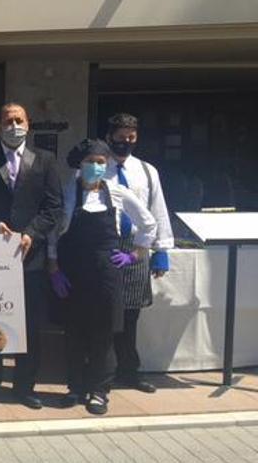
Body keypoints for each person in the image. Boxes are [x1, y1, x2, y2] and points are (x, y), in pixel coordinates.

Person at [0, 102, 64, 410]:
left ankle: (24, 387)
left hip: (30, 258)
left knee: (30, 326)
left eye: (19, 120)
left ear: (28, 124)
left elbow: (53, 208)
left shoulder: (45, 160)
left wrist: (32, 231)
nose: (13, 125)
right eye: (7, 121)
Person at [48, 139, 157, 415]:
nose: (95, 167)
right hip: (72, 273)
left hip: (106, 274)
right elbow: (53, 233)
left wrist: (135, 254)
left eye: (100, 162)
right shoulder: (66, 195)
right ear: (79, 165)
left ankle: (99, 391)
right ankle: (75, 387)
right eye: (90, 162)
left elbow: (148, 222)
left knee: (103, 335)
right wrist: (54, 269)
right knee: (73, 333)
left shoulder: (118, 193)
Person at [103, 113, 174, 393]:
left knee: (131, 317)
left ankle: (129, 371)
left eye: (130, 138)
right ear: (109, 137)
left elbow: (158, 209)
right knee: (105, 315)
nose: (125, 143)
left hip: (136, 248)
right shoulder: (97, 166)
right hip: (107, 247)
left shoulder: (147, 170)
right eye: (120, 138)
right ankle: (101, 372)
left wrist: (161, 251)